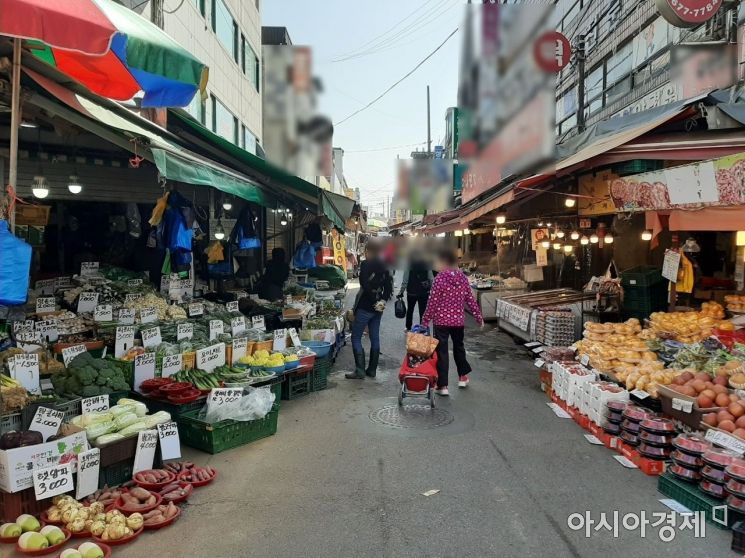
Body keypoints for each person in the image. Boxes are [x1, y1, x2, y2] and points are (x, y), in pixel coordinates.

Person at [421, 248, 483, 396]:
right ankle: (462, 377)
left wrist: (425, 321)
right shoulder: (462, 278)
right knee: (459, 347)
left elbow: (432, 303)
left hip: (441, 321)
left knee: (442, 352)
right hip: (458, 321)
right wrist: (478, 317)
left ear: (444, 261)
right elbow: (470, 299)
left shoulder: (440, 279)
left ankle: (443, 386)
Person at [347, 241, 393, 379]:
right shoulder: (384, 265)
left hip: (365, 306)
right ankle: (372, 370)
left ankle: (360, 371)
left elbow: (364, 285)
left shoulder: (366, 264)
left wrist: (373, 301)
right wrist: (382, 301)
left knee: (356, 337)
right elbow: (389, 286)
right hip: (378, 308)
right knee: (374, 337)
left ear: (368, 251)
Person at [398, 254, 434, 331]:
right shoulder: (427, 264)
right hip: (424, 292)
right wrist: (432, 289)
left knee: (410, 310)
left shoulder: (409, 264)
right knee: (423, 311)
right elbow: (431, 278)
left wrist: (401, 291)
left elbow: (405, 280)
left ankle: (408, 327)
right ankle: (422, 327)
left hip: (411, 292)